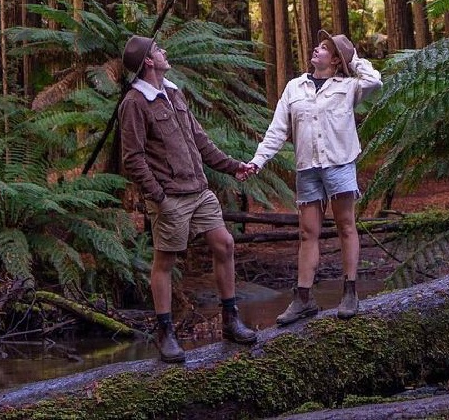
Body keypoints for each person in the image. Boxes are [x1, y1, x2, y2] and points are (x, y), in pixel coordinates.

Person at [118, 34, 258, 363]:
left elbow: (199, 139)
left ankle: (230, 319)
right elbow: (133, 158)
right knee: (165, 261)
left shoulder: (174, 93)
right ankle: (165, 332)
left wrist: (232, 166)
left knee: (224, 244)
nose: (164, 51)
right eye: (158, 49)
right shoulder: (134, 103)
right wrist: (159, 197)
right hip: (170, 197)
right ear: (149, 62)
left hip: (200, 190)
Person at [242, 29, 382, 324]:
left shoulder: (347, 87)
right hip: (307, 167)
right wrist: (258, 161)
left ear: (334, 60)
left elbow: (374, 80)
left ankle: (350, 291)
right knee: (307, 233)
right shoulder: (295, 87)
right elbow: (278, 129)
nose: (315, 50)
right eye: (317, 46)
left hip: (340, 164)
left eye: (323, 48)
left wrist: (351, 56)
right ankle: (303, 297)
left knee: (346, 226)